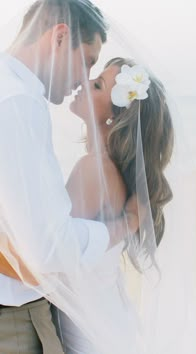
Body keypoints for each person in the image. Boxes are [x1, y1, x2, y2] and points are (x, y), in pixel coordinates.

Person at [0, 1, 140, 353]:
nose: (83, 78)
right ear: (60, 37)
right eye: (89, 61)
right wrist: (125, 225)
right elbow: (48, 249)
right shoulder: (17, 103)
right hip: (14, 318)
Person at [51, 57, 174, 353]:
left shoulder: (93, 169)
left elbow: (56, 256)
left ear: (113, 118)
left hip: (90, 328)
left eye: (96, 85)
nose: (82, 83)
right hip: (107, 318)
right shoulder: (113, 170)